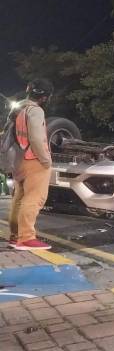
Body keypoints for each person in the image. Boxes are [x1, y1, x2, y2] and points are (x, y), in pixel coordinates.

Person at [8, 78, 54, 250]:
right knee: (34, 198)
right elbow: (35, 137)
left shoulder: (17, 109)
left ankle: (15, 235)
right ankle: (26, 238)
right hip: (33, 159)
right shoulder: (35, 111)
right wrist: (45, 159)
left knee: (19, 199)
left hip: (18, 160)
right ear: (45, 97)